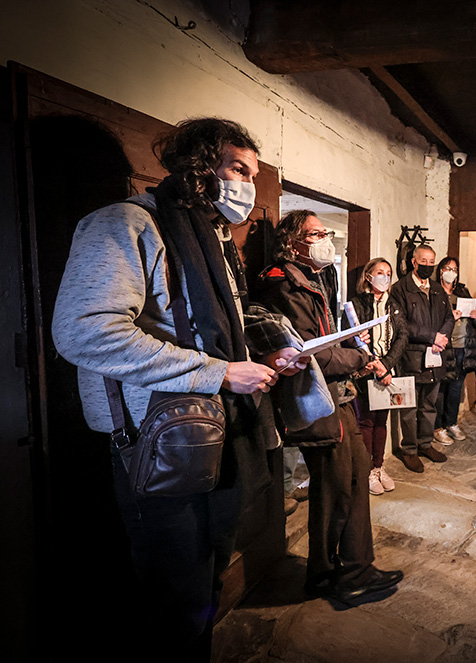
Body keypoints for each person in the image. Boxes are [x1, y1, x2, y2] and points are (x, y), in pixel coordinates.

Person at [51, 118, 306, 661]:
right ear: (199, 166)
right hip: (157, 438)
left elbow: (211, 335)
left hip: (217, 430)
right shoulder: (126, 223)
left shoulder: (213, 238)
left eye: (253, 174)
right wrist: (221, 374)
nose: (248, 185)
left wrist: (258, 361)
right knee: (175, 598)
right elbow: (85, 331)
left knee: (205, 582)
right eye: (238, 169)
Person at [256, 210, 403, 601]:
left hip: (336, 394)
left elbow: (326, 337)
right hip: (315, 397)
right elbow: (312, 352)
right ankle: (344, 574)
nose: (324, 240)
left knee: (348, 478)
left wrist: (352, 352)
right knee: (339, 486)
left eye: (325, 232)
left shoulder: (315, 277)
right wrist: (360, 359)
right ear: (292, 243)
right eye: (315, 234)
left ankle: (342, 570)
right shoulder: (284, 284)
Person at [388, 244, 454, 472]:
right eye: (423, 261)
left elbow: (449, 317)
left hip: (435, 356)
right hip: (411, 358)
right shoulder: (400, 289)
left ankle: (425, 444)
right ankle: (409, 450)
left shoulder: (437, 289)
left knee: (429, 405)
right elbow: (402, 324)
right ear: (414, 262)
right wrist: (431, 336)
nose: (428, 265)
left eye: (431, 262)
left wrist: (442, 337)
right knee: (408, 407)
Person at [347, 257, 407, 496]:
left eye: (388, 273)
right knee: (366, 422)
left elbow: (402, 336)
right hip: (365, 370)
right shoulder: (356, 303)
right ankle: (367, 471)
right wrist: (370, 361)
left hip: (387, 371)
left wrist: (386, 365)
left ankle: (378, 467)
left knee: (382, 422)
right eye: (380, 272)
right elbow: (349, 336)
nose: (385, 277)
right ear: (368, 276)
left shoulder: (394, 304)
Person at [433, 256, 476, 445]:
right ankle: (438, 427)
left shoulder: (462, 291)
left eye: (454, 269)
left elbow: (472, 317)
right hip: (443, 345)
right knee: (440, 388)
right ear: (440, 271)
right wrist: (448, 317)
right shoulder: (434, 291)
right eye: (447, 268)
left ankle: (451, 423)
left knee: (455, 387)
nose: (450, 272)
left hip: (462, 346)